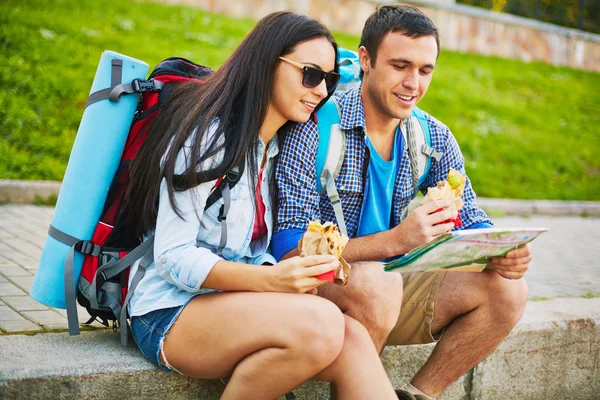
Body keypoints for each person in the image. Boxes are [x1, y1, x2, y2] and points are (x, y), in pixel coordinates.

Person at [122, 11, 399, 400]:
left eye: (330, 80)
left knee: (352, 336)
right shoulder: (210, 138)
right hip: (166, 312)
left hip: (231, 306)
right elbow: (171, 255)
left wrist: (291, 273)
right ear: (268, 64)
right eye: (310, 74)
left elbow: (250, 253)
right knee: (323, 324)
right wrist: (270, 282)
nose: (321, 91)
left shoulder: (275, 149)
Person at [273, 5, 532, 400]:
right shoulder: (314, 126)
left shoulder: (433, 136)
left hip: (386, 291)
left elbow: (471, 216)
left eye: (425, 70)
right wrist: (396, 240)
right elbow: (289, 251)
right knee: (377, 285)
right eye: (400, 66)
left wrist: (502, 249)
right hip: (316, 294)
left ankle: (417, 394)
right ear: (365, 60)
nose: (413, 83)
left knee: (508, 291)